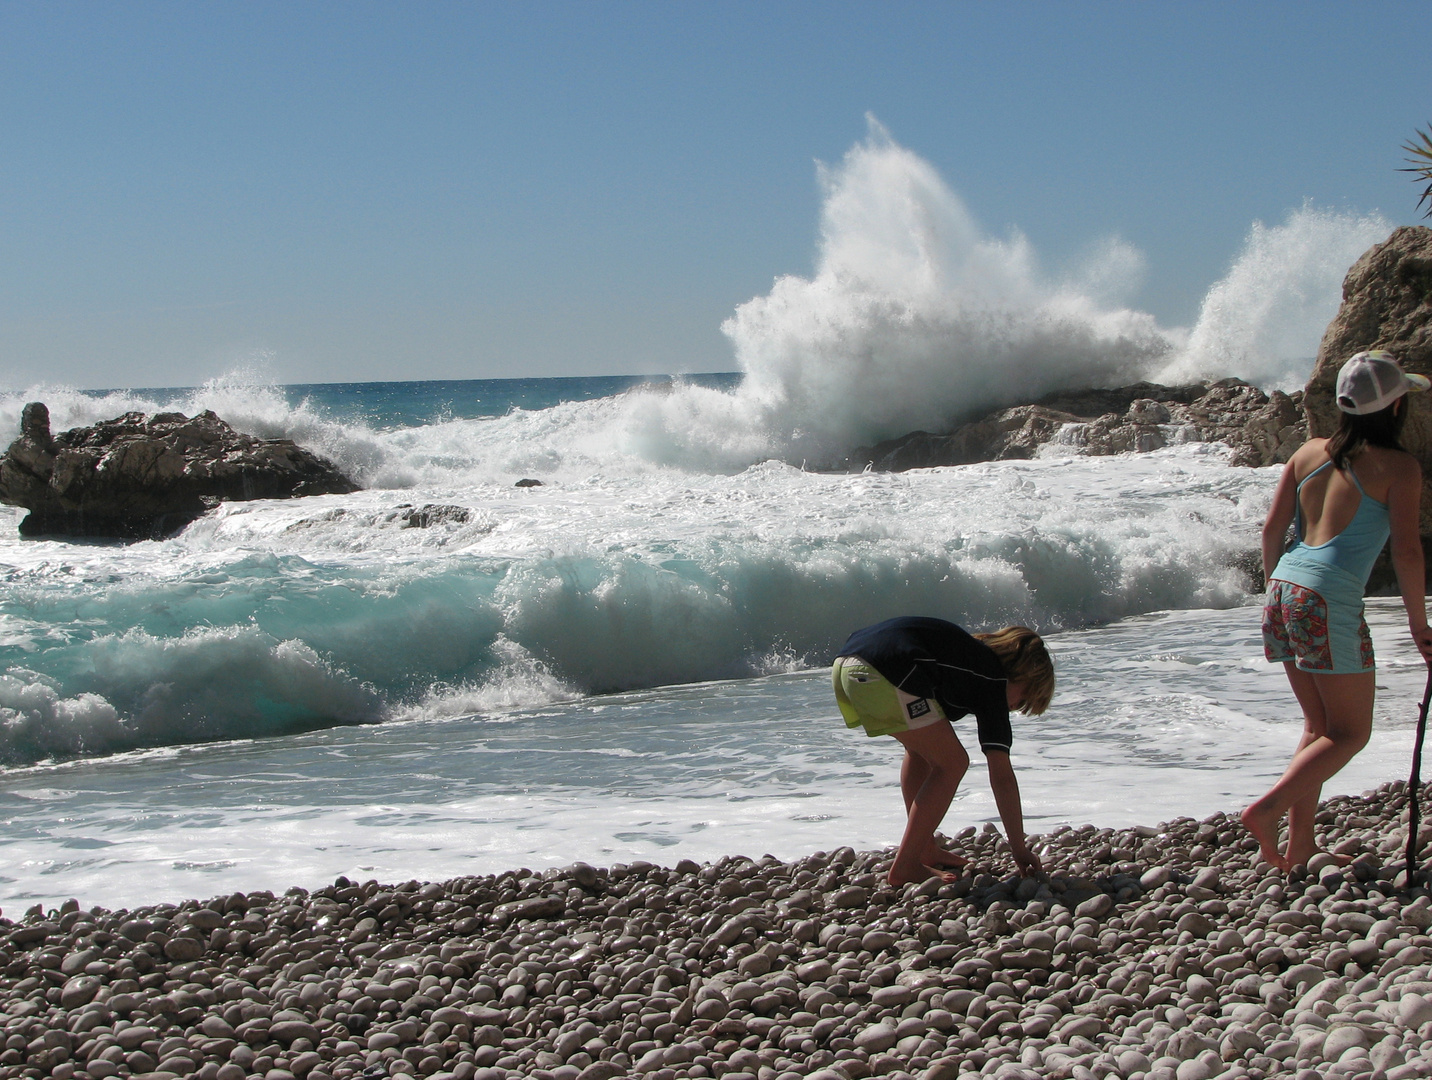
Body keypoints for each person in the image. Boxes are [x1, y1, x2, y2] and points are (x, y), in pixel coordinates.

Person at [1244, 350, 1432, 871]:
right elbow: (1408, 551)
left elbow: (1270, 531)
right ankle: (1267, 811)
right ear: (1395, 410)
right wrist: (1420, 627)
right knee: (1351, 734)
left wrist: (1276, 592)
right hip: (1328, 597)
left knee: (1319, 724)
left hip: (1283, 587)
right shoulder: (1399, 467)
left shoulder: (1306, 453)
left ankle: (1300, 846)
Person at [832, 616, 1055, 886]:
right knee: (953, 763)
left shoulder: (965, 658)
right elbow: (1002, 777)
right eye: (1023, 700)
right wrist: (1019, 849)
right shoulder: (992, 678)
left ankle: (923, 847)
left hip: (847, 666)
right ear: (1023, 674)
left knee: (919, 752)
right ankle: (906, 865)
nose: (1015, 709)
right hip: (884, 670)